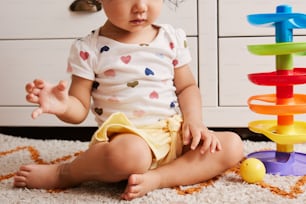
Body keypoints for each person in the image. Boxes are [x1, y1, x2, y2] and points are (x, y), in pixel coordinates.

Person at [14, 0, 244, 200]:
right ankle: (66, 173)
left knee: (232, 145)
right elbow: (80, 108)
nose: (141, 7)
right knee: (131, 155)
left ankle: (158, 178)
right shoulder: (89, 48)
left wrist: (195, 122)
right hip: (127, 141)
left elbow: (187, 87)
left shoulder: (170, 38)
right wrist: (63, 105)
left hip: (174, 134)